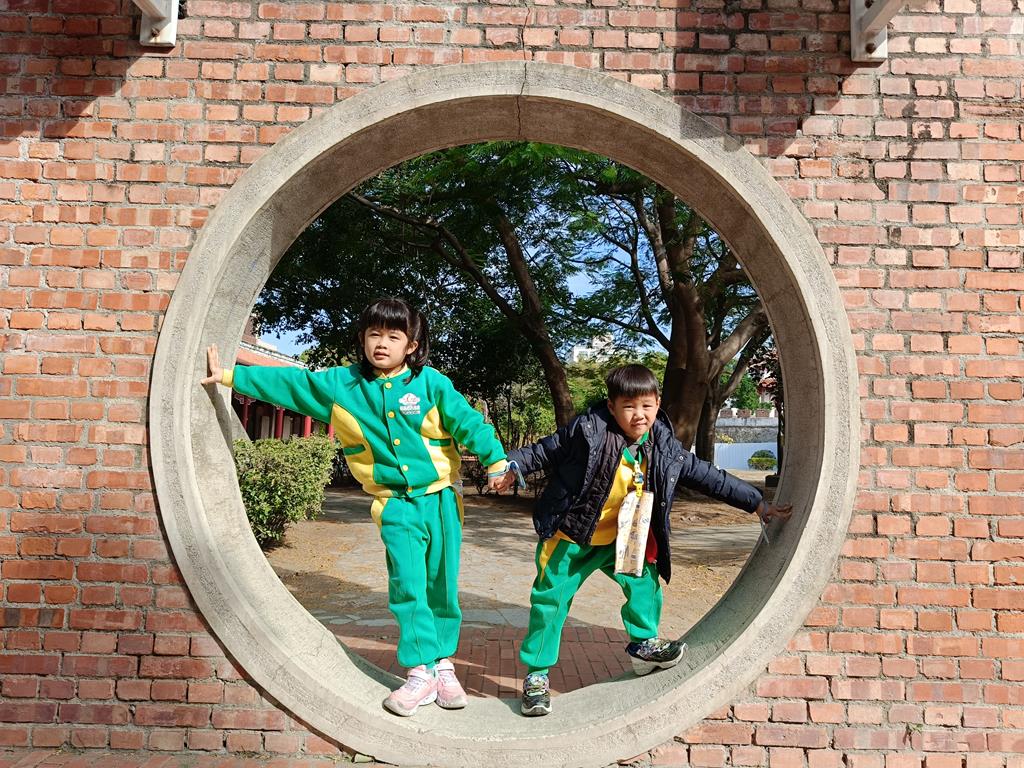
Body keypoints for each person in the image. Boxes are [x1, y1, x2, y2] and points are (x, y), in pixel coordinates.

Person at [201, 298, 510, 717]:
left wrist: (495, 459)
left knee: (440, 584)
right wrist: (229, 376)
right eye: (373, 334)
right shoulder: (342, 385)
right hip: (394, 505)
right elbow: (293, 385)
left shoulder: (431, 384)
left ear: (411, 345)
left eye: (393, 336)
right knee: (408, 584)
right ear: (362, 339)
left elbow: (468, 422)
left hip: (440, 499)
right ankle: (420, 670)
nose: (382, 344)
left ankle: (442, 664)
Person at [496, 364, 792, 716]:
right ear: (611, 407)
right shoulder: (588, 430)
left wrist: (756, 503)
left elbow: (707, 476)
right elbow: (545, 450)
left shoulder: (663, 445)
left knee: (645, 585)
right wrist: (511, 466)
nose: (639, 415)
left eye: (647, 406)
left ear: (658, 404)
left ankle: (644, 646)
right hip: (571, 535)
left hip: (623, 538)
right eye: (629, 406)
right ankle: (537, 675)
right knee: (550, 602)